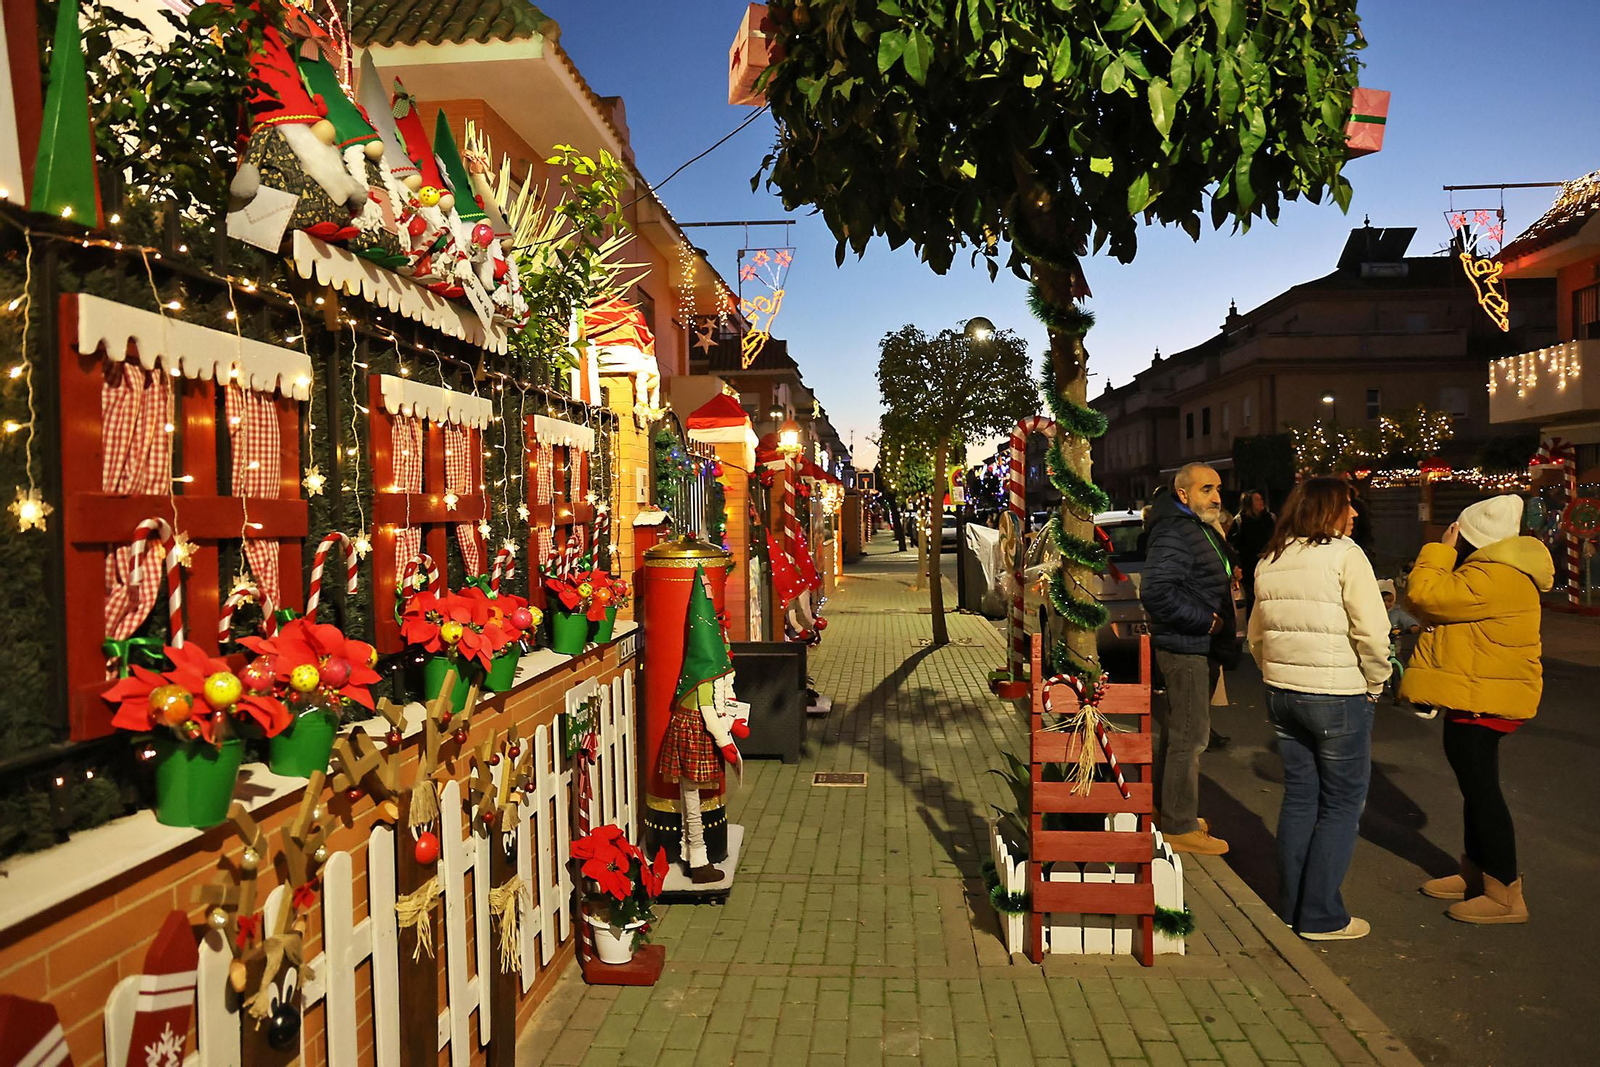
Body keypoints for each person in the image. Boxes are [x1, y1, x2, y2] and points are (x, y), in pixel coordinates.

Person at [1248, 477, 1390, 941]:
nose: (1354, 515)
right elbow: (1372, 631)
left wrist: (1274, 673)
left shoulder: (1271, 558)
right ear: (1326, 510)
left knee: (1301, 798)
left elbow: (1256, 634)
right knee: (1342, 804)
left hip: (1283, 691)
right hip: (1336, 694)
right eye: (1347, 506)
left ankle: (1291, 907)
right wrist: (1376, 681)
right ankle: (1322, 915)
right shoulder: (1345, 554)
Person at [1401, 495, 1552, 924]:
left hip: (1486, 697)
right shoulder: (1494, 572)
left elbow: (1424, 594)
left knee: (1483, 791)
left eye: (1458, 531)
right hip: (1476, 692)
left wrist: (1439, 550)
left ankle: (1505, 893)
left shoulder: (1494, 575)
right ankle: (1478, 874)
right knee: (1475, 788)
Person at [1139, 463, 1237, 855]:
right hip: (1186, 647)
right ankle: (1179, 825)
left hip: (1194, 646)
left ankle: (1169, 811)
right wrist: (1206, 622)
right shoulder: (1175, 530)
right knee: (1190, 737)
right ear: (1183, 494)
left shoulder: (1191, 527)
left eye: (1218, 490)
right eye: (1206, 489)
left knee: (1180, 734)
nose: (1216, 497)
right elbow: (1157, 591)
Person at [1230, 490, 1276, 616]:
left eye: (1261, 499)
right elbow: (1233, 545)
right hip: (1249, 567)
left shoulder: (1270, 518)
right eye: (1257, 500)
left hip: (1269, 563)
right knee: (1252, 600)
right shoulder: (1240, 521)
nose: (1261, 502)